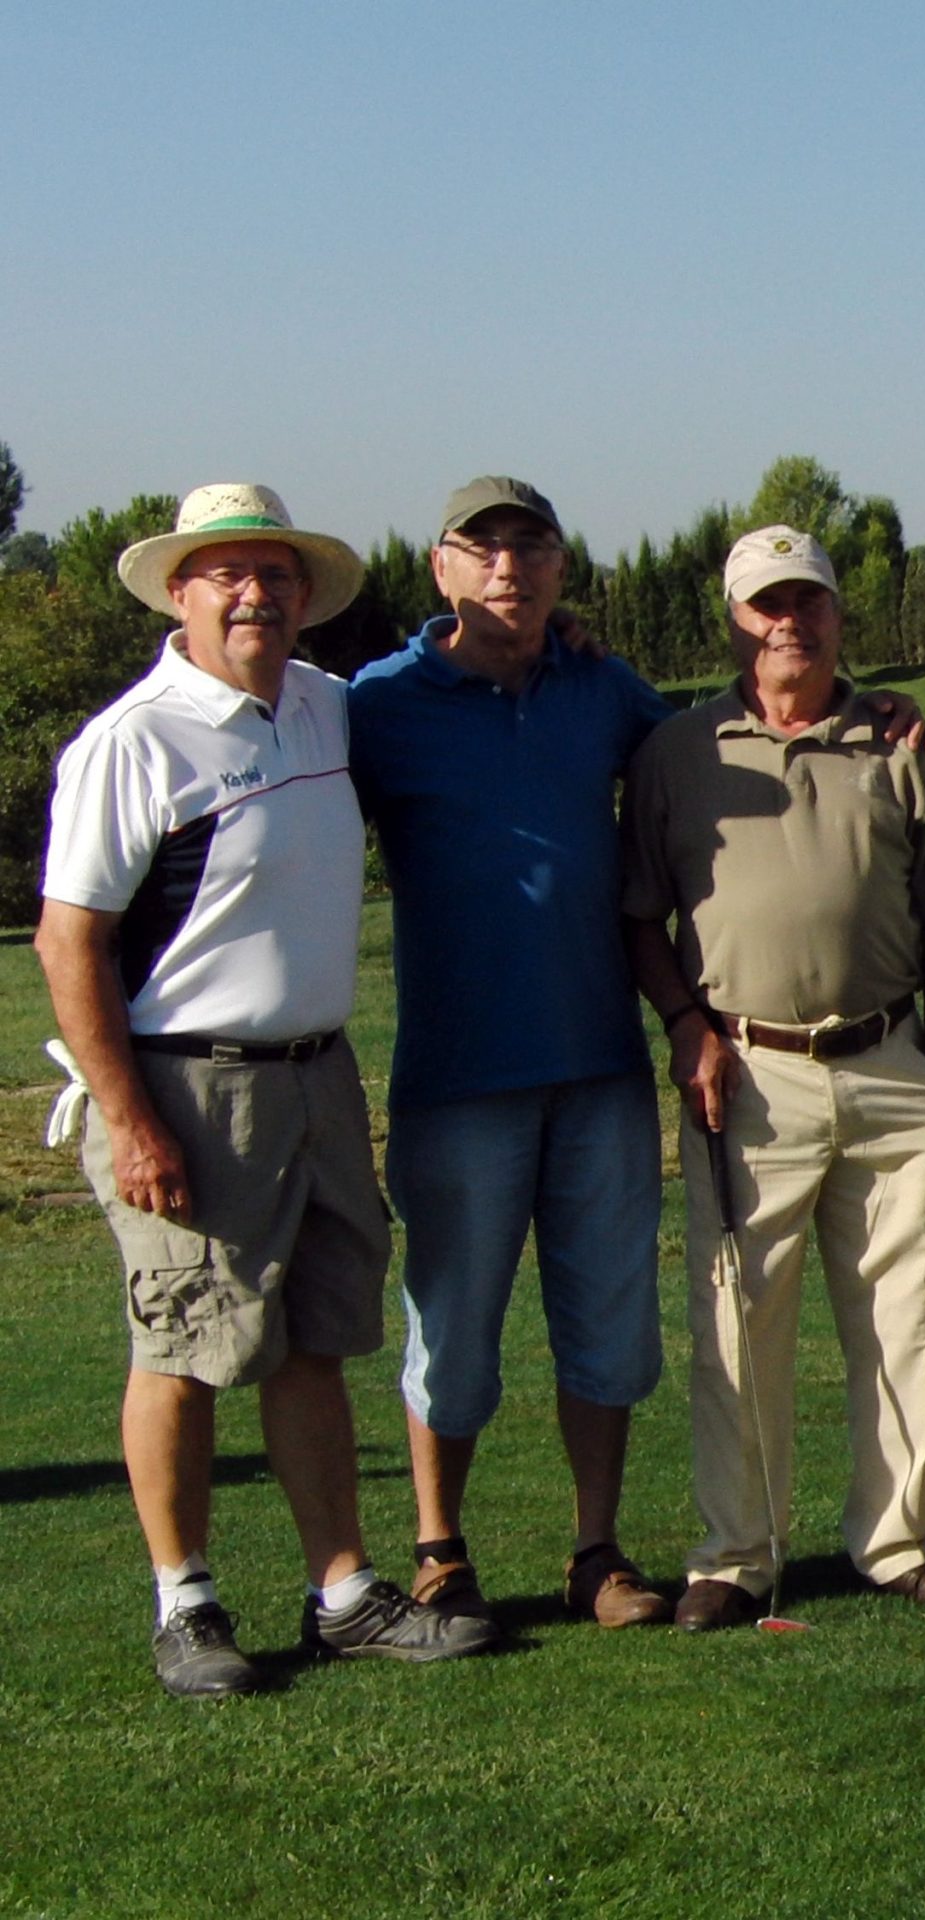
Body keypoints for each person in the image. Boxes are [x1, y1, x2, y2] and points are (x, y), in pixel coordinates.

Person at [37, 483, 495, 1694]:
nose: (254, 596)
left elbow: (442, 679)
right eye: (225, 575)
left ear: (303, 595)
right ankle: (185, 1604)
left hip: (317, 1077)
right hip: (184, 1087)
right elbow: (69, 941)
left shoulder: (325, 707)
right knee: (181, 1346)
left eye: (275, 575)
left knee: (312, 1343)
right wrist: (130, 1118)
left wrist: (563, 644)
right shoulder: (134, 741)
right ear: (179, 594)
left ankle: (341, 1593)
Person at [622, 526, 925, 1627]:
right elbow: (639, 917)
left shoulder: (897, 741)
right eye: (766, 605)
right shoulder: (677, 750)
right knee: (738, 1321)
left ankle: (897, 1542)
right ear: (734, 621)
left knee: (902, 1316)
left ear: (836, 614)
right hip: (743, 1073)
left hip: (889, 1064)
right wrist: (684, 1025)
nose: (790, 622)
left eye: (808, 601)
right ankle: (737, 1554)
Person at [348, 477, 674, 1632]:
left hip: (599, 1065)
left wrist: (863, 708)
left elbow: (719, 745)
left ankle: (596, 1552)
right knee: (452, 1335)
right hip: (456, 1077)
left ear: (560, 568)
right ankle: (440, 1552)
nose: (507, 567)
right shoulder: (379, 704)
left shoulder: (602, 689)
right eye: (480, 547)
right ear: (439, 567)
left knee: (609, 1324)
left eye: (530, 547)